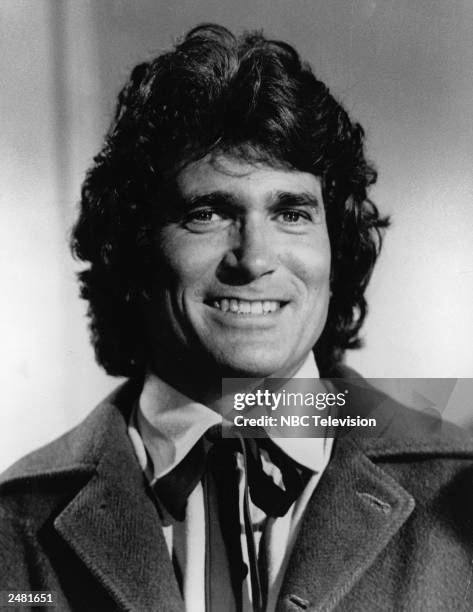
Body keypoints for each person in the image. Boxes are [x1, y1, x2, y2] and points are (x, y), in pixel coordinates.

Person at [1, 24, 472, 612]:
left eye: (292, 214)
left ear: (336, 250)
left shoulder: (463, 492)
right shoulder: (13, 524)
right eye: (207, 212)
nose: (254, 258)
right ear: (135, 247)